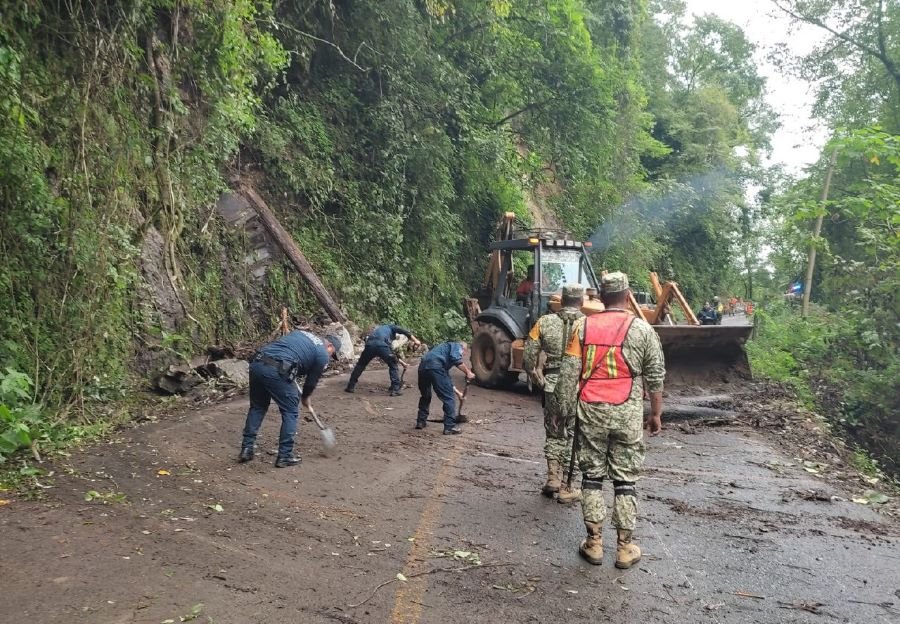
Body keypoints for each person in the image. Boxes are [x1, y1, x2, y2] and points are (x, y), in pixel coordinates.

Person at [558, 271, 665, 568]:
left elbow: (568, 373)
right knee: (625, 480)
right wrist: (656, 413)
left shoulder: (582, 326)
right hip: (627, 412)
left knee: (592, 477)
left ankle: (593, 543)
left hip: (590, 409)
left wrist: (565, 411)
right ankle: (624, 547)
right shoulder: (643, 330)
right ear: (628, 296)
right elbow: (655, 376)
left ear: (601, 298)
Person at [239, 330, 341, 468]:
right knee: (290, 411)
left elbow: (288, 351)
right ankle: (285, 455)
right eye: (332, 354)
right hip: (277, 369)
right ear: (329, 346)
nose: (330, 357)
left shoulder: (302, 334)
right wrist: (305, 398)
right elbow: (311, 382)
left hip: (257, 362)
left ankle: (246, 449)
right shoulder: (322, 354)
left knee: (258, 407)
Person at [523, 283, 587, 504]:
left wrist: (538, 379)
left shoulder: (544, 322)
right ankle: (568, 484)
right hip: (579, 388)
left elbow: (529, 357)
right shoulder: (589, 324)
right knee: (574, 435)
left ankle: (552, 478)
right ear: (581, 302)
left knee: (554, 432)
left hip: (552, 386)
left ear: (561, 301)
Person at [415, 341, 475, 434]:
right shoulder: (456, 346)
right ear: (463, 349)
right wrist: (468, 372)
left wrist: (458, 393)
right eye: (463, 353)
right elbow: (456, 359)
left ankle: (421, 421)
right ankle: (449, 427)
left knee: (425, 395)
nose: (462, 355)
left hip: (423, 367)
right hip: (436, 367)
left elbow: (445, 379)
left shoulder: (441, 351)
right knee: (449, 399)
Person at [345, 324, 421, 396]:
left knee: (360, 365)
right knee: (393, 365)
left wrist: (402, 363)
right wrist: (416, 340)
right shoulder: (392, 327)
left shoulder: (380, 331)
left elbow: (391, 354)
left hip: (369, 345)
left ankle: (350, 386)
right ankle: (395, 389)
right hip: (381, 346)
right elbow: (405, 331)